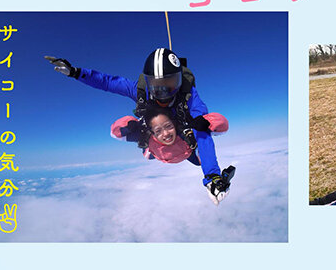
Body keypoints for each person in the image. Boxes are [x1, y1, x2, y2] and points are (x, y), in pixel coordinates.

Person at [44, 47, 233, 204]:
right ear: (148, 82)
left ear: (179, 81)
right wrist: (76, 73)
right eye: (156, 84)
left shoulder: (189, 97)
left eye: (169, 83)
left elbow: (203, 135)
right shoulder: (141, 91)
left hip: (183, 144)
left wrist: (212, 176)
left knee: (205, 126)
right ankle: (148, 144)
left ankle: (158, 146)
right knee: (132, 129)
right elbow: (108, 82)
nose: (163, 91)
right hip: (157, 143)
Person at [111, 104, 228, 166]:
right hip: (157, 153)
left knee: (200, 162)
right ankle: (148, 148)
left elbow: (223, 126)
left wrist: (206, 121)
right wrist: (129, 124)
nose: (166, 133)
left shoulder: (184, 132)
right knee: (147, 153)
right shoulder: (146, 135)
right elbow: (115, 133)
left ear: (174, 124)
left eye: (168, 126)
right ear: (152, 132)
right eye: (158, 131)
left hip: (187, 153)